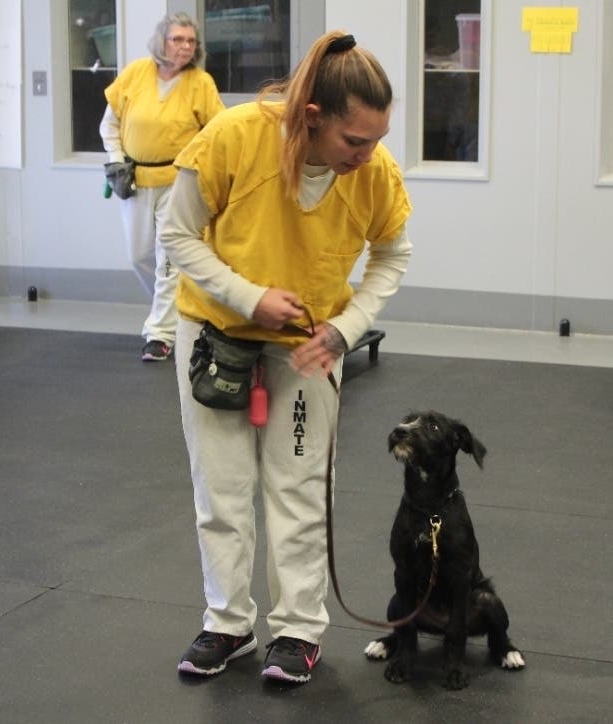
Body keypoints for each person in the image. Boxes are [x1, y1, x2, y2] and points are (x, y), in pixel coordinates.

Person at [164, 30, 412, 684]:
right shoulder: (233, 138)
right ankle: (228, 623)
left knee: (298, 487)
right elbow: (177, 233)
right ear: (310, 119)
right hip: (216, 332)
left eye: (377, 139)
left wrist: (347, 327)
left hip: (308, 347)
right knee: (220, 488)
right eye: (354, 141)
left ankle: (298, 631)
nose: (368, 155)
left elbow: (392, 256)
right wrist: (246, 296)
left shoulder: (374, 173)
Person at [99, 12, 224, 362]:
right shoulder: (136, 73)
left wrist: (199, 172)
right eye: (177, 39)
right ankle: (183, 311)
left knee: (167, 258)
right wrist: (115, 159)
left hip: (178, 180)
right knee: (138, 254)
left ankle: (160, 333)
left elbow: (217, 133)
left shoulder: (201, 83)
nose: (185, 46)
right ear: (161, 42)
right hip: (135, 178)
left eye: (190, 41)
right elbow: (109, 124)